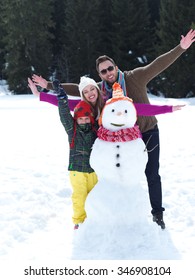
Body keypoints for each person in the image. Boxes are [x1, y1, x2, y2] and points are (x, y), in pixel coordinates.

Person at [31, 29, 195, 229]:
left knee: (152, 173)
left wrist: (181, 48)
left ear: (116, 67)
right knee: (119, 177)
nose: (108, 73)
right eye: (103, 71)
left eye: (110, 68)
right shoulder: (100, 90)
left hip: (146, 132)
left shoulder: (135, 77)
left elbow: (158, 65)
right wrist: (47, 86)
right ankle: (121, 214)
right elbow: (77, 89)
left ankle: (157, 215)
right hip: (122, 141)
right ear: (99, 74)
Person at [51, 79, 99, 230]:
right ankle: (79, 221)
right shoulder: (73, 131)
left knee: (94, 195)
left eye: (86, 118)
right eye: (80, 119)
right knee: (79, 197)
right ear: (76, 119)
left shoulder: (95, 131)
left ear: (90, 119)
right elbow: (65, 116)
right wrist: (62, 99)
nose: (83, 121)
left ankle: (95, 219)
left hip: (93, 171)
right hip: (77, 171)